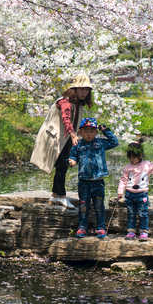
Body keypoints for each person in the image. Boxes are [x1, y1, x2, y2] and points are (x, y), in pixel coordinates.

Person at [30, 73, 94, 207]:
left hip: (65, 139)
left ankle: (54, 196)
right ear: (74, 89)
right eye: (81, 89)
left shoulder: (78, 104)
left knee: (63, 167)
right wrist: (72, 134)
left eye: (86, 89)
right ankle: (62, 196)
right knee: (61, 166)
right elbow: (66, 118)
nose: (84, 92)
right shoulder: (65, 102)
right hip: (53, 137)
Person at [68, 117, 118, 239]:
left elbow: (114, 142)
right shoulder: (78, 144)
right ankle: (82, 227)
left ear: (96, 132)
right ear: (80, 132)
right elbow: (72, 156)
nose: (89, 134)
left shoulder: (100, 143)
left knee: (99, 206)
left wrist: (105, 130)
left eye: (92, 131)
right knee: (84, 205)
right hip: (84, 182)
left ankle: (100, 227)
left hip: (98, 182)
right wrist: (72, 161)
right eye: (85, 131)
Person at [117, 139, 153, 241]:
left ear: (140, 156)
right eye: (129, 157)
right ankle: (131, 231)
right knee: (131, 213)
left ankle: (143, 231)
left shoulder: (146, 164)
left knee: (142, 213)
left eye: (134, 158)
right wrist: (120, 191)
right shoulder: (128, 167)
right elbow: (123, 180)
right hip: (129, 194)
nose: (131, 160)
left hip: (142, 194)